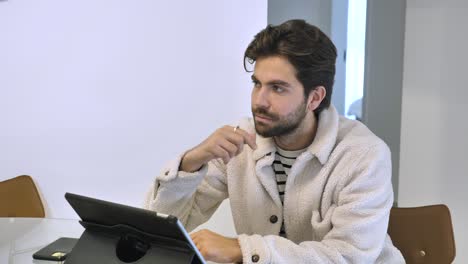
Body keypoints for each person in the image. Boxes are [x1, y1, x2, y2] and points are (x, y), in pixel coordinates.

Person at [145, 19, 404, 263]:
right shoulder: (241, 143)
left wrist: (242, 249)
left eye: (277, 88)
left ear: (314, 98)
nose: (259, 101)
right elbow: (160, 225)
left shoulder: (364, 154)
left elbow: (348, 257)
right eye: (257, 84)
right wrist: (192, 162)